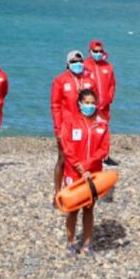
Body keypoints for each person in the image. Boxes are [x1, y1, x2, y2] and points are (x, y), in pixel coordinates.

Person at [60, 89, 109, 257]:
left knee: (89, 208)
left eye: (93, 103)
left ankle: (87, 243)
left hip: (93, 172)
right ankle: (70, 242)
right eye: (87, 103)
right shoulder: (71, 121)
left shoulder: (101, 123)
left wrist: (88, 166)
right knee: (73, 209)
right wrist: (80, 167)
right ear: (79, 103)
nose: (90, 106)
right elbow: (67, 146)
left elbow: (104, 148)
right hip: (73, 172)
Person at [50, 50, 96, 198]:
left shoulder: (89, 80)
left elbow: (95, 103)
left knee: (81, 159)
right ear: (67, 64)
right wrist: (58, 129)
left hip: (84, 126)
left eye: (80, 61)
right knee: (63, 159)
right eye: (74, 61)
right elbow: (55, 106)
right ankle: (58, 193)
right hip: (66, 127)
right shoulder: (60, 80)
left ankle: (79, 191)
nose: (77, 64)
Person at [83, 40, 117, 166]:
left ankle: (105, 155)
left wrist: (109, 98)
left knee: (104, 130)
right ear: (90, 51)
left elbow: (112, 85)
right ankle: (88, 154)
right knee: (89, 130)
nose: (98, 53)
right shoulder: (85, 65)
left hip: (105, 106)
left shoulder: (108, 66)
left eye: (100, 51)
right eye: (95, 51)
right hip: (90, 105)